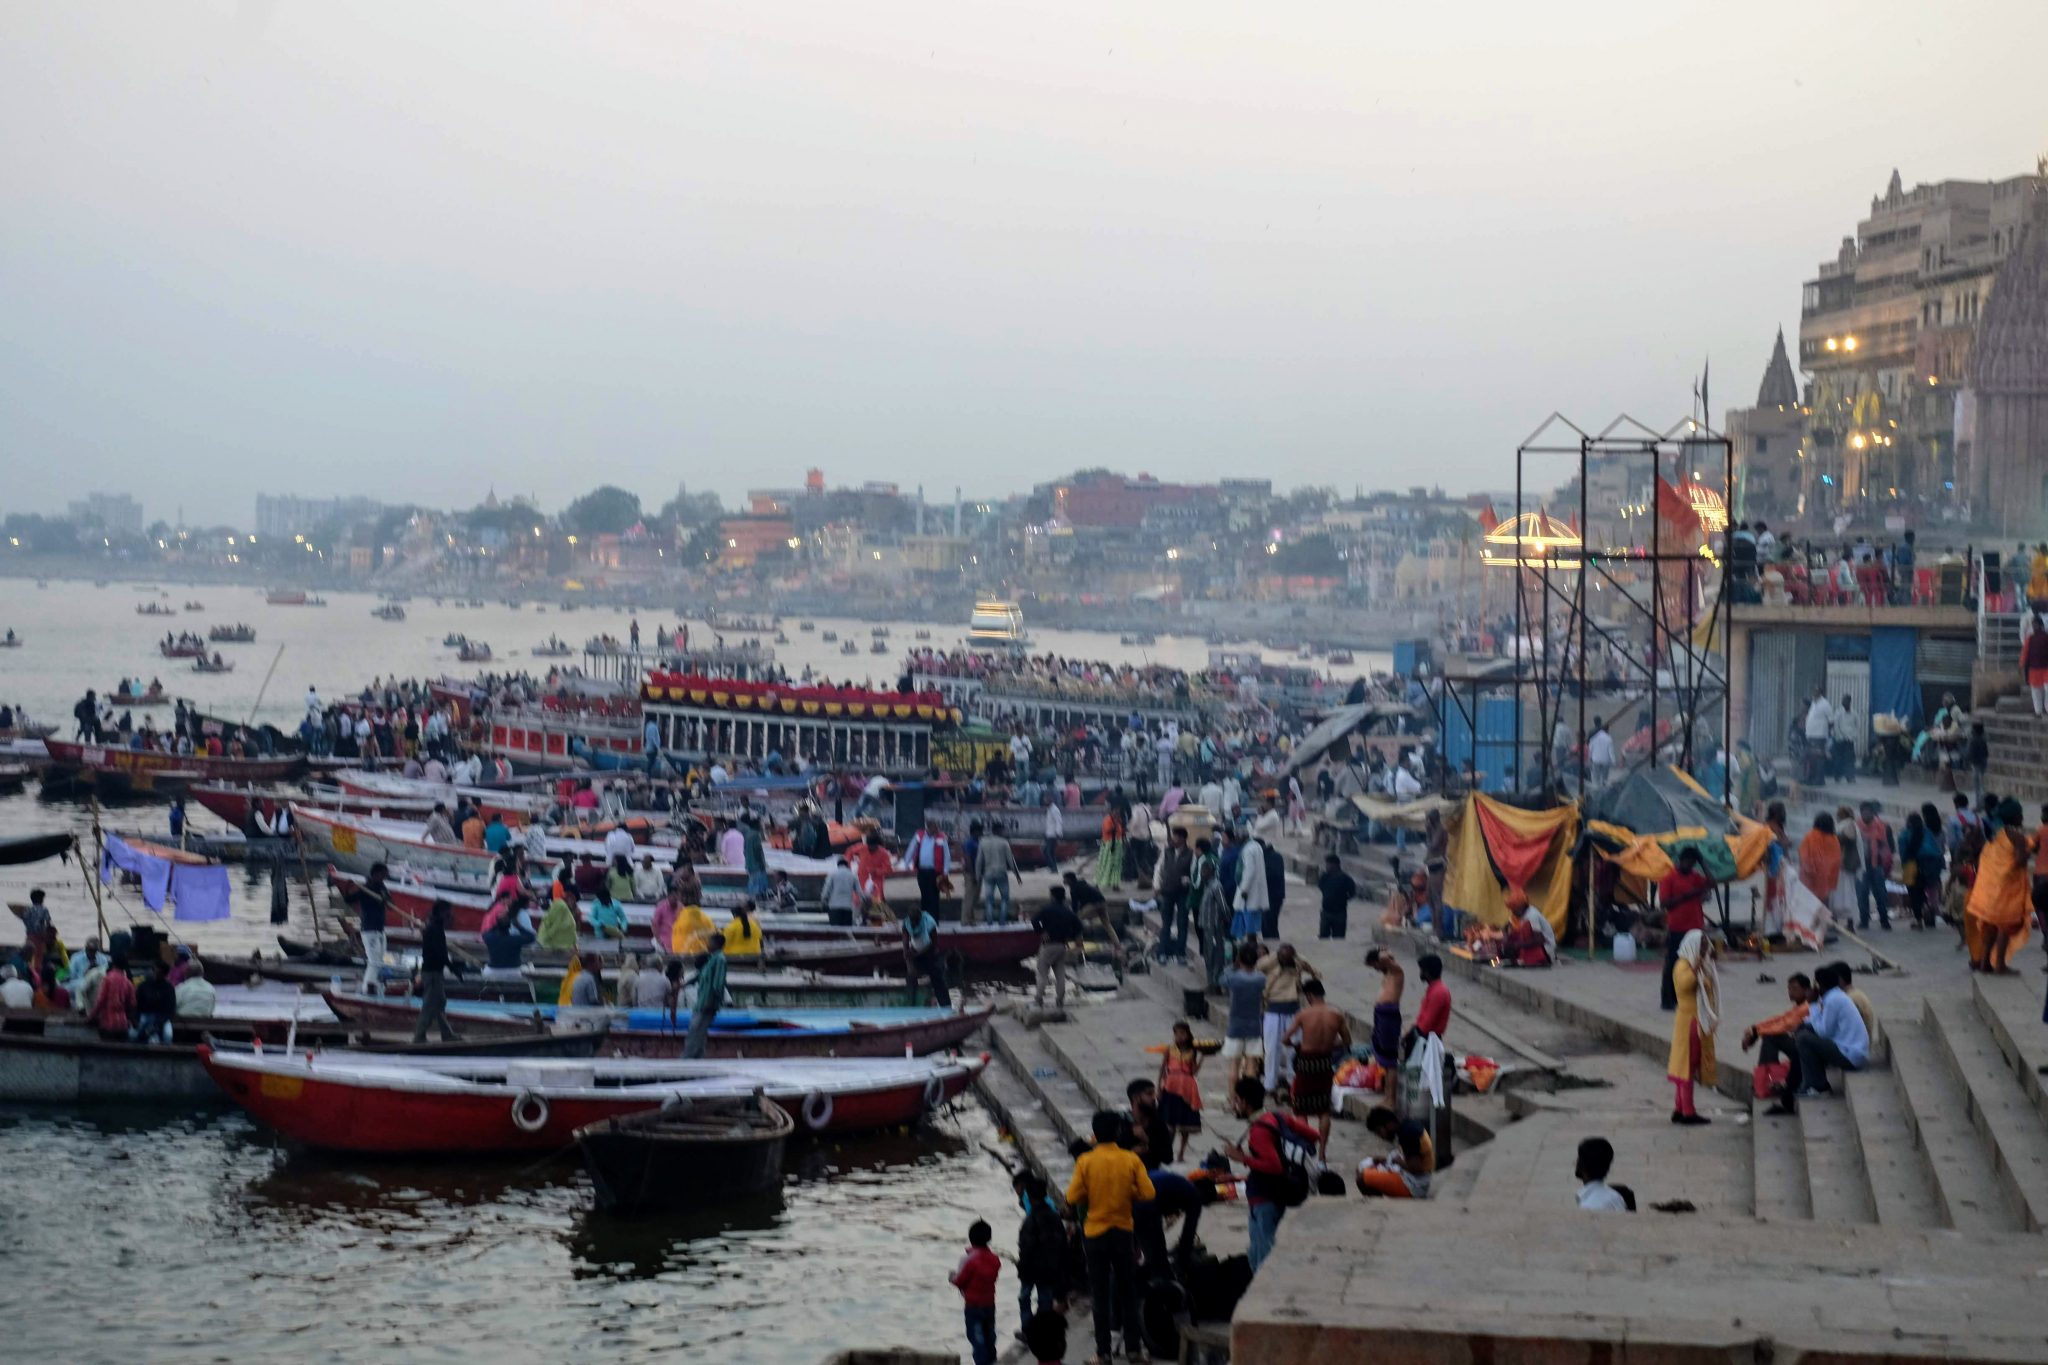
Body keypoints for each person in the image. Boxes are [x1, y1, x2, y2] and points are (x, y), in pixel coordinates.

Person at [1066, 1109, 1155, 1364]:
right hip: (1122, 1233)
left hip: (1094, 1234)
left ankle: (1102, 1353)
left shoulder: (1085, 1161)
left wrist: (1090, 1195)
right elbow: (1147, 1193)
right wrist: (1128, 1194)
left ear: (1094, 1134)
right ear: (1118, 1132)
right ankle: (1134, 1350)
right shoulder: (1130, 1159)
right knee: (1128, 1292)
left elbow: (1072, 1197)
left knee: (1100, 1294)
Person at [1225, 1076, 1320, 1272]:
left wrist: (1241, 1158)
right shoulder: (1277, 1118)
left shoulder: (1259, 1131)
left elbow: (1273, 1166)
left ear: (1244, 1102)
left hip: (1264, 1196)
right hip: (1282, 1190)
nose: (1234, 1105)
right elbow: (1314, 1136)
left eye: (1236, 1100)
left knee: (1261, 1252)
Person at [1283, 979, 1351, 1157]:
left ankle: (1306, 1148)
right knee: (1323, 1110)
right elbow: (1346, 1041)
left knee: (1301, 1108)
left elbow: (1285, 1039)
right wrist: (1330, 1043)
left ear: (1309, 995)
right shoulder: (1336, 1014)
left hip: (1306, 1062)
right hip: (1324, 1062)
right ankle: (1321, 1154)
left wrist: (1299, 1045)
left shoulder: (1304, 1014)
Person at [1966, 797, 2033, 974]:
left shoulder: (1995, 835)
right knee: (2006, 926)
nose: (2022, 817)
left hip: (1991, 887)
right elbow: (2019, 860)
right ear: (2015, 817)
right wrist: (2027, 854)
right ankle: (2000, 965)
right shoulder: (2016, 836)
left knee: (1991, 926)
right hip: (2007, 889)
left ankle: (1985, 963)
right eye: (2020, 814)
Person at [1667, 930, 1717, 1125]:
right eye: (1702, 945)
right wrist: (1696, 968)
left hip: (1695, 1019)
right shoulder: (1682, 965)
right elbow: (1685, 985)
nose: (1705, 949)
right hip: (1689, 1021)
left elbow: (1709, 984)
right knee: (1687, 1067)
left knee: (1686, 1066)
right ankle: (1688, 1111)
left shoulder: (1696, 965)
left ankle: (1680, 1108)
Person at [1011, 1172, 1068, 1340]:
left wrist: (1021, 1267)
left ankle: (1029, 1332)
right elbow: (1062, 1245)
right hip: (1049, 1268)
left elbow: (1026, 1248)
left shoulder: (1030, 1221)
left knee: (1024, 1298)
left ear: (1030, 1196)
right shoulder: (1055, 1217)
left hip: (1031, 1269)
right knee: (1045, 1300)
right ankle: (1045, 1331)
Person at [1657, 847, 1714, 1011]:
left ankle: (1687, 997)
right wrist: (1687, 896)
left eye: (1693, 863)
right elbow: (1664, 903)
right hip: (1677, 927)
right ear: (1681, 861)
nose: (1689, 866)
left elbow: (1712, 882)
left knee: (1694, 964)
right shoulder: (1669, 878)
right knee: (1673, 964)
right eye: (1688, 862)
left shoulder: (1695, 876)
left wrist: (1702, 862)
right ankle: (1667, 999)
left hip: (1695, 927)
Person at [1254, 943, 1316, 1094]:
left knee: (1294, 1048)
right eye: (1284, 958)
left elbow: (1312, 970)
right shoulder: (1269, 962)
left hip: (1293, 1010)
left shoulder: (1298, 962)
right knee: (1271, 1049)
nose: (1286, 960)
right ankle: (1270, 1083)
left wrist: (1295, 957)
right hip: (1273, 1011)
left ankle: (1292, 1080)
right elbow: (1257, 967)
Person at [949, 1218, 1001, 1365]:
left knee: (976, 1338)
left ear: (971, 1239)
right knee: (989, 1335)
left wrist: (951, 1277)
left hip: (973, 1305)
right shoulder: (995, 1260)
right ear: (989, 1238)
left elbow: (959, 1280)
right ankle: (992, 1360)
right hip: (989, 1303)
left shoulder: (969, 1260)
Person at [1355, 1103, 1435, 1199]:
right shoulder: (1407, 1126)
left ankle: (1377, 1204)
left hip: (1415, 1185)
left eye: (1379, 1132)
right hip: (1413, 1177)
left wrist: (1397, 1161)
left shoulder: (1408, 1133)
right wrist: (1387, 1160)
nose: (1381, 1136)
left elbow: (1415, 1168)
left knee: (1362, 1178)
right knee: (1363, 1168)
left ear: (1388, 1125)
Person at [412, 899, 462, 1043]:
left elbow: (441, 953)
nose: (450, 916)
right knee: (429, 1005)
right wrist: (452, 968)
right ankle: (419, 1036)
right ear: (441, 913)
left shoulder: (436, 928)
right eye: (448, 913)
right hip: (432, 973)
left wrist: (451, 967)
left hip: (435, 971)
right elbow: (439, 954)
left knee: (439, 1003)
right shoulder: (433, 929)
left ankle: (447, 1034)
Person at [1156, 1019, 1205, 1160]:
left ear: (1188, 1034)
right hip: (1171, 1086)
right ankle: (1169, 1150)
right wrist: (1159, 1087)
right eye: (1177, 1034)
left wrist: (1203, 1057)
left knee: (1185, 1124)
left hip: (1187, 1088)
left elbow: (1193, 1072)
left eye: (1182, 1033)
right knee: (1169, 1123)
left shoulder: (1193, 1051)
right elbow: (1162, 1068)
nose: (1179, 1037)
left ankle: (1181, 1152)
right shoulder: (1169, 1050)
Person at [1030, 884, 1083, 1010]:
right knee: (1060, 975)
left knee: (1042, 973)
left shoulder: (1047, 909)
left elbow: (1034, 920)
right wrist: (1077, 945)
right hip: (1062, 946)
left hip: (1048, 946)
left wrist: (1041, 932)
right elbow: (1079, 928)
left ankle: (1038, 999)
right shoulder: (1068, 912)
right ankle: (1060, 1000)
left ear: (1052, 896)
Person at [683, 932, 727, 1059]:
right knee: (698, 1030)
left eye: (710, 942)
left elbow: (718, 983)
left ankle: (689, 1056)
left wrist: (714, 1001)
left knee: (696, 1030)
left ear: (717, 944)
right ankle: (696, 1056)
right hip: (702, 1001)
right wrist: (684, 984)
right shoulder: (711, 959)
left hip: (708, 1002)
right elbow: (699, 975)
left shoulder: (720, 960)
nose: (707, 944)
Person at [1153, 825, 1193, 961]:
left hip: (1183, 893)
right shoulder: (1167, 851)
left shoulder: (1190, 854)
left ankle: (1180, 953)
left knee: (1182, 923)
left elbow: (1193, 874)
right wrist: (1157, 886)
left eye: (1175, 836)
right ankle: (1162, 952)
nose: (1173, 839)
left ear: (1182, 838)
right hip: (1167, 892)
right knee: (1166, 924)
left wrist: (1188, 880)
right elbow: (1159, 868)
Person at [1853, 800, 1895, 931]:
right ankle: (1864, 920)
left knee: (1880, 893)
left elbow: (1890, 846)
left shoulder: (1882, 826)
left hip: (1878, 865)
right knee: (1862, 893)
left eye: (1868, 811)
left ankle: (1884, 920)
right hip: (1860, 865)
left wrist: (1884, 857)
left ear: (1872, 812)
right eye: (1863, 812)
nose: (1865, 814)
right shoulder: (1855, 827)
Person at [351, 863, 393, 992]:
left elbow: (390, 902)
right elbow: (350, 898)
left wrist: (386, 899)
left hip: (380, 929)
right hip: (369, 930)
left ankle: (373, 985)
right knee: (374, 961)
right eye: (383, 874)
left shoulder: (382, 887)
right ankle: (367, 988)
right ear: (376, 874)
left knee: (379, 961)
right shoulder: (366, 888)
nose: (385, 877)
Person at [904, 818, 951, 923]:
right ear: (928, 828)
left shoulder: (941, 838)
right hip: (922, 871)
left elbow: (947, 856)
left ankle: (934, 920)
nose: (936, 830)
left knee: (933, 896)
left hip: (935, 872)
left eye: (937, 828)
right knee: (924, 896)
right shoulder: (919, 836)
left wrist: (945, 872)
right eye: (934, 828)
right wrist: (906, 864)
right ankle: (924, 920)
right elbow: (911, 849)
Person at [904, 900, 950, 1007]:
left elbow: (934, 943)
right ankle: (911, 1005)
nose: (914, 923)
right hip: (915, 952)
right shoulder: (907, 923)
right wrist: (908, 959)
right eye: (912, 921)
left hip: (929, 952)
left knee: (937, 979)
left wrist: (920, 953)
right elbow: (905, 942)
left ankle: (946, 1006)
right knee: (911, 978)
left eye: (916, 920)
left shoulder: (929, 922)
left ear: (920, 916)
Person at [976, 821, 1022, 925]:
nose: (1003, 832)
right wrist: (1017, 875)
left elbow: (979, 860)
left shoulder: (983, 842)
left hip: (988, 873)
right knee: (1005, 898)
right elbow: (1011, 860)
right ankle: (1002, 921)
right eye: (1002, 830)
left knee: (989, 899)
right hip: (1001, 872)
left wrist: (977, 875)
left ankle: (989, 921)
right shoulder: (1004, 842)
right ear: (998, 830)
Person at [1797, 812, 1843, 913]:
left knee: (1807, 907)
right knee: (1823, 907)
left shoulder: (1810, 836)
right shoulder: (1834, 839)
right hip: (1826, 880)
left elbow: (1803, 855)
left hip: (1810, 879)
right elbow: (1836, 860)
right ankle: (1821, 926)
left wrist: (1810, 871)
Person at [86, 953, 136, 1037]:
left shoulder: (108, 979)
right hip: (122, 1024)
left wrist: (91, 1017)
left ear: (113, 964)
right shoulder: (128, 982)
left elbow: (100, 1001)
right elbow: (132, 1004)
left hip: (107, 1023)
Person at [1233, 828, 1270, 940]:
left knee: (1248, 926)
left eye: (1237, 837)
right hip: (1255, 891)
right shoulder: (1256, 846)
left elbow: (1250, 871)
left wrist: (1244, 889)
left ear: (1242, 837)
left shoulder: (1248, 850)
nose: (1236, 840)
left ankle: (1249, 946)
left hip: (1248, 892)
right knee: (1252, 924)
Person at [1574, 1137, 1630, 1212]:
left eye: (1579, 1158)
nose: (1575, 1162)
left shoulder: (1589, 1206)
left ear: (1582, 1164)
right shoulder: (1616, 1196)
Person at [1315, 852, 1357, 941]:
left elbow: (1352, 893)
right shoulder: (1324, 877)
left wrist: (1342, 899)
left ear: (1335, 865)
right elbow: (1320, 887)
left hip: (1340, 913)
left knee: (1339, 939)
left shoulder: (1345, 879)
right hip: (1326, 912)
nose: (1326, 866)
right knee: (1323, 937)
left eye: (1328, 864)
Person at [133, 960, 176, 1044]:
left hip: (162, 1017)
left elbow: (171, 1009)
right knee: (134, 1034)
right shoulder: (144, 985)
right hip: (145, 1015)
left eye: (159, 972)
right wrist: (136, 1019)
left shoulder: (169, 988)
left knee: (168, 1036)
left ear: (164, 974)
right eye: (154, 971)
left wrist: (157, 1024)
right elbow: (137, 1004)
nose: (155, 974)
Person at [538, 887, 581, 952]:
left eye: (572, 900)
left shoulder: (576, 911)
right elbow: (551, 925)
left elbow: (575, 928)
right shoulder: (559, 907)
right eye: (569, 900)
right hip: (554, 939)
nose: (571, 902)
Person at [1585, 717, 1614, 789]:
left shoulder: (1592, 732)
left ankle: (1596, 789)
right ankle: (1603, 789)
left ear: (1594, 722)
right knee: (1604, 778)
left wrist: (1589, 757)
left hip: (1595, 758)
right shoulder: (1607, 735)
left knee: (1595, 777)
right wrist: (1613, 761)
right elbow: (1611, 750)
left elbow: (1589, 744)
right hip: (1605, 760)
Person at [1041, 797, 1064, 873]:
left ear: (1050, 800)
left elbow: (1059, 822)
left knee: (1047, 852)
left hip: (1053, 835)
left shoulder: (1054, 810)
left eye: (1046, 800)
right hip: (1049, 834)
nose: (1045, 801)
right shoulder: (1049, 809)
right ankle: (1054, 868)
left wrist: (1058, 833)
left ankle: (1053, 868)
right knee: (1050, 852)